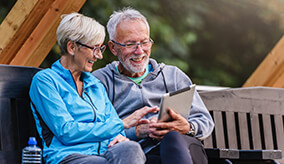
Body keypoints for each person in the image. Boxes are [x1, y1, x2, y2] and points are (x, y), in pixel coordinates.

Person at [29, 12, 158, 164]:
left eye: (100, 49)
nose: (99, 56)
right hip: (69, 156)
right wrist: (122, 124)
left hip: (104, 153)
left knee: (131, 148)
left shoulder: (95, 84)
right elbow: (66, 131)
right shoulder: (46, 81)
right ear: (72, 47)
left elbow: (113, 125)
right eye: (94, 48)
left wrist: (120, 135)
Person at [92, 7, 215, 164]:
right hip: (138, 156)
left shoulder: (174, 76)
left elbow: (205, 121)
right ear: (113, 47)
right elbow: (95, 133)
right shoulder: (100, 81)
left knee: (172, 138)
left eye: (144, 42)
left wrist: (187, 127)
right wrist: (134, 132)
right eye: (130, 44)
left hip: (181, 150)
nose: (139, 51)